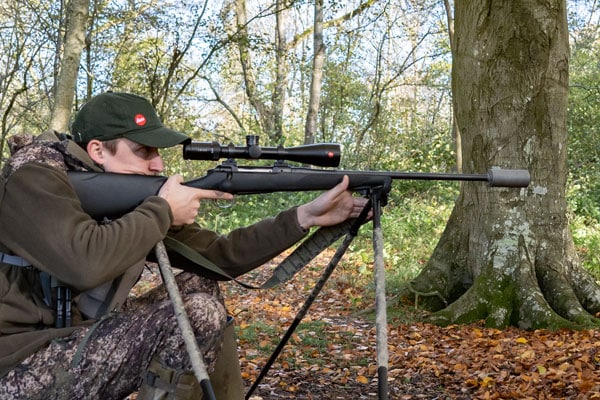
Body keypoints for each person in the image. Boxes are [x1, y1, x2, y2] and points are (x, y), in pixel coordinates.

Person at [0, 92, 368, 400]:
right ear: (97, 150)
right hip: (15, 363)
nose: (158, 164)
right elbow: (83, 262)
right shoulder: (32, 177)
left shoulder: (123, 196)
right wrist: (161, 209)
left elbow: (219, 256)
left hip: (69, 341)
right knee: (196, 314)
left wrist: (305, 216)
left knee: (201, 289)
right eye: (144, 151)